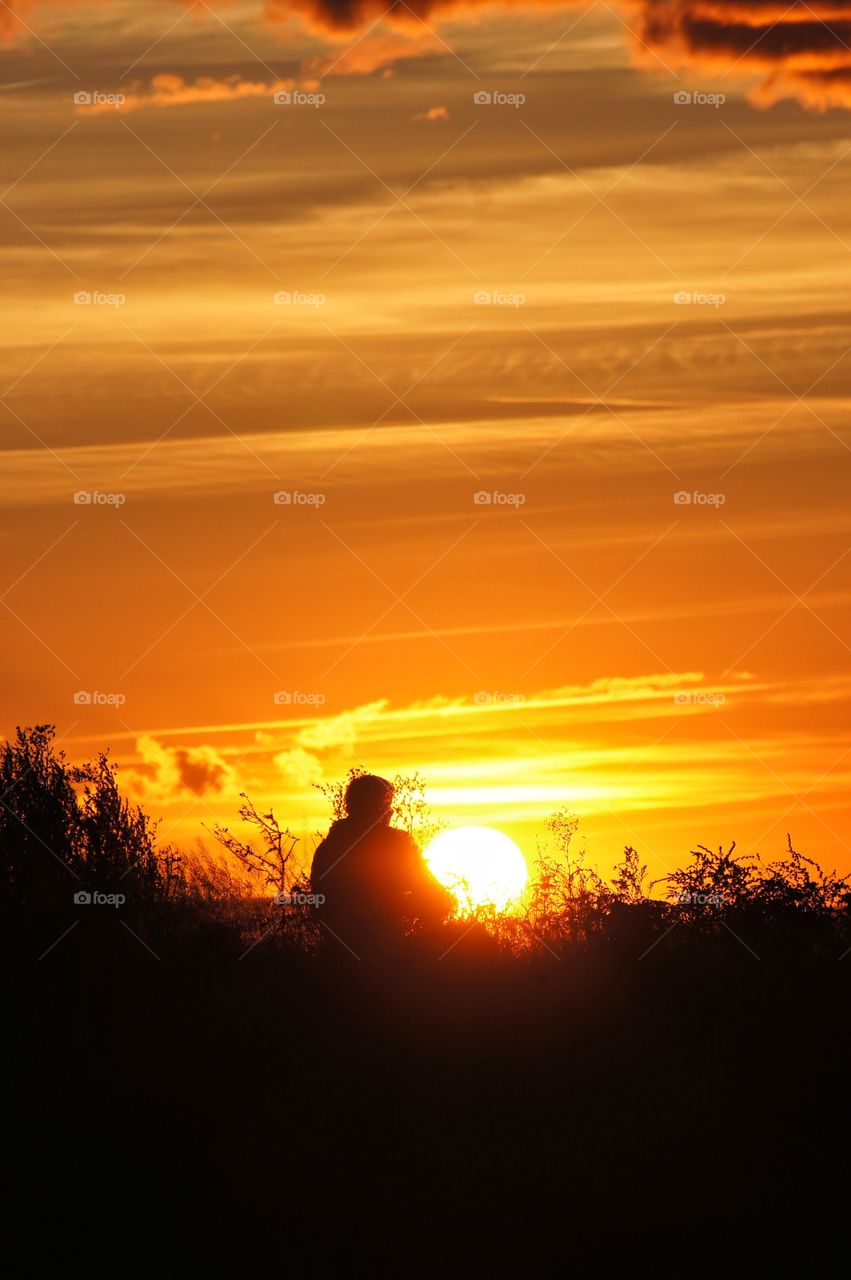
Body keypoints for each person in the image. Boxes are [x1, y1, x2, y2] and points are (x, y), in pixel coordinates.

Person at [310, 774, 452, 955]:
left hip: (336, 950)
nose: (391, 812)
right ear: (377, 808)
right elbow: (429, 891)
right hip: (389, 946)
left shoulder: (327, 848)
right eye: (387, 805)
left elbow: (317, 907)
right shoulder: (397, 843)